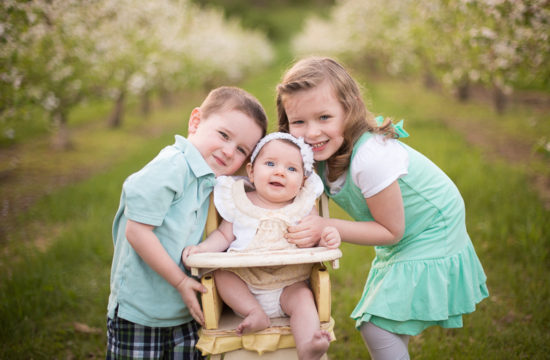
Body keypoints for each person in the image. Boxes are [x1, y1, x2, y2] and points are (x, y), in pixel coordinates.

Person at [276, 57, 489, 360]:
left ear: (349, 111)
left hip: (431, 227)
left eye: (324, 117)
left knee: (377, 325)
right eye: (299, 122)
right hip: (404, 231)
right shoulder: (316, 155)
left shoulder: (370, 157)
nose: (311, 133)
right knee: (389, 317)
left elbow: (391, 230)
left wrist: (327, 226)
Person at [106, 86, 268, 360]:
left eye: (241, 149)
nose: (229, 152)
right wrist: (181, 281)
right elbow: (137, 232)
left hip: (184, 311)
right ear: (195, 122)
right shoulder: (170, 168)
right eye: (223, 135)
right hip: (141, 310)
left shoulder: (209, 178)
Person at [182, 132, 341, 360]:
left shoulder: (302, 208)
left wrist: (327, 237)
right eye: (270, 163)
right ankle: (255, 313)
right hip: (245, 284)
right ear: (251, 172)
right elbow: (223, 236)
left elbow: (315, 235)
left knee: (304, 300)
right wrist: (202, 249)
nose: (279, 172)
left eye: (291, 169)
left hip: (290, 284)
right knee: (220, 275)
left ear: (302, 182)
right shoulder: (239, 203)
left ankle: (308, 346)